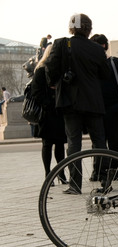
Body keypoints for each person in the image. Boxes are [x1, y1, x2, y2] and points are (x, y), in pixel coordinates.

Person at [45, 13, 110, 195]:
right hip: (93, 101)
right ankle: (105, 181)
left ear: (71, 28)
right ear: (89, 29)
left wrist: (54, 82)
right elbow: (105, 75)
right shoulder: (97, 49)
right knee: (99, 142)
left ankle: (75, 184)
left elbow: (50, 67)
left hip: (70, 101)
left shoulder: (61, 44)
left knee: (74, 142)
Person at [90, 34, 118, 179]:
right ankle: (100, 171)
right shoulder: (91, 65)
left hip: (114, 107)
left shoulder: (114, 62)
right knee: (98, 141)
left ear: (103, 46)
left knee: (114, 139)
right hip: (97, 108)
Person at [31, 44, 67, 184]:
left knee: (59, 144)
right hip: (47, 113)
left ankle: (61, 173)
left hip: (57, 112)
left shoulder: (59, 70)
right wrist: (47, 104)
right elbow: (36, 92)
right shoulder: (41, 70)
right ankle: (48, 173)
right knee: (47, 144)